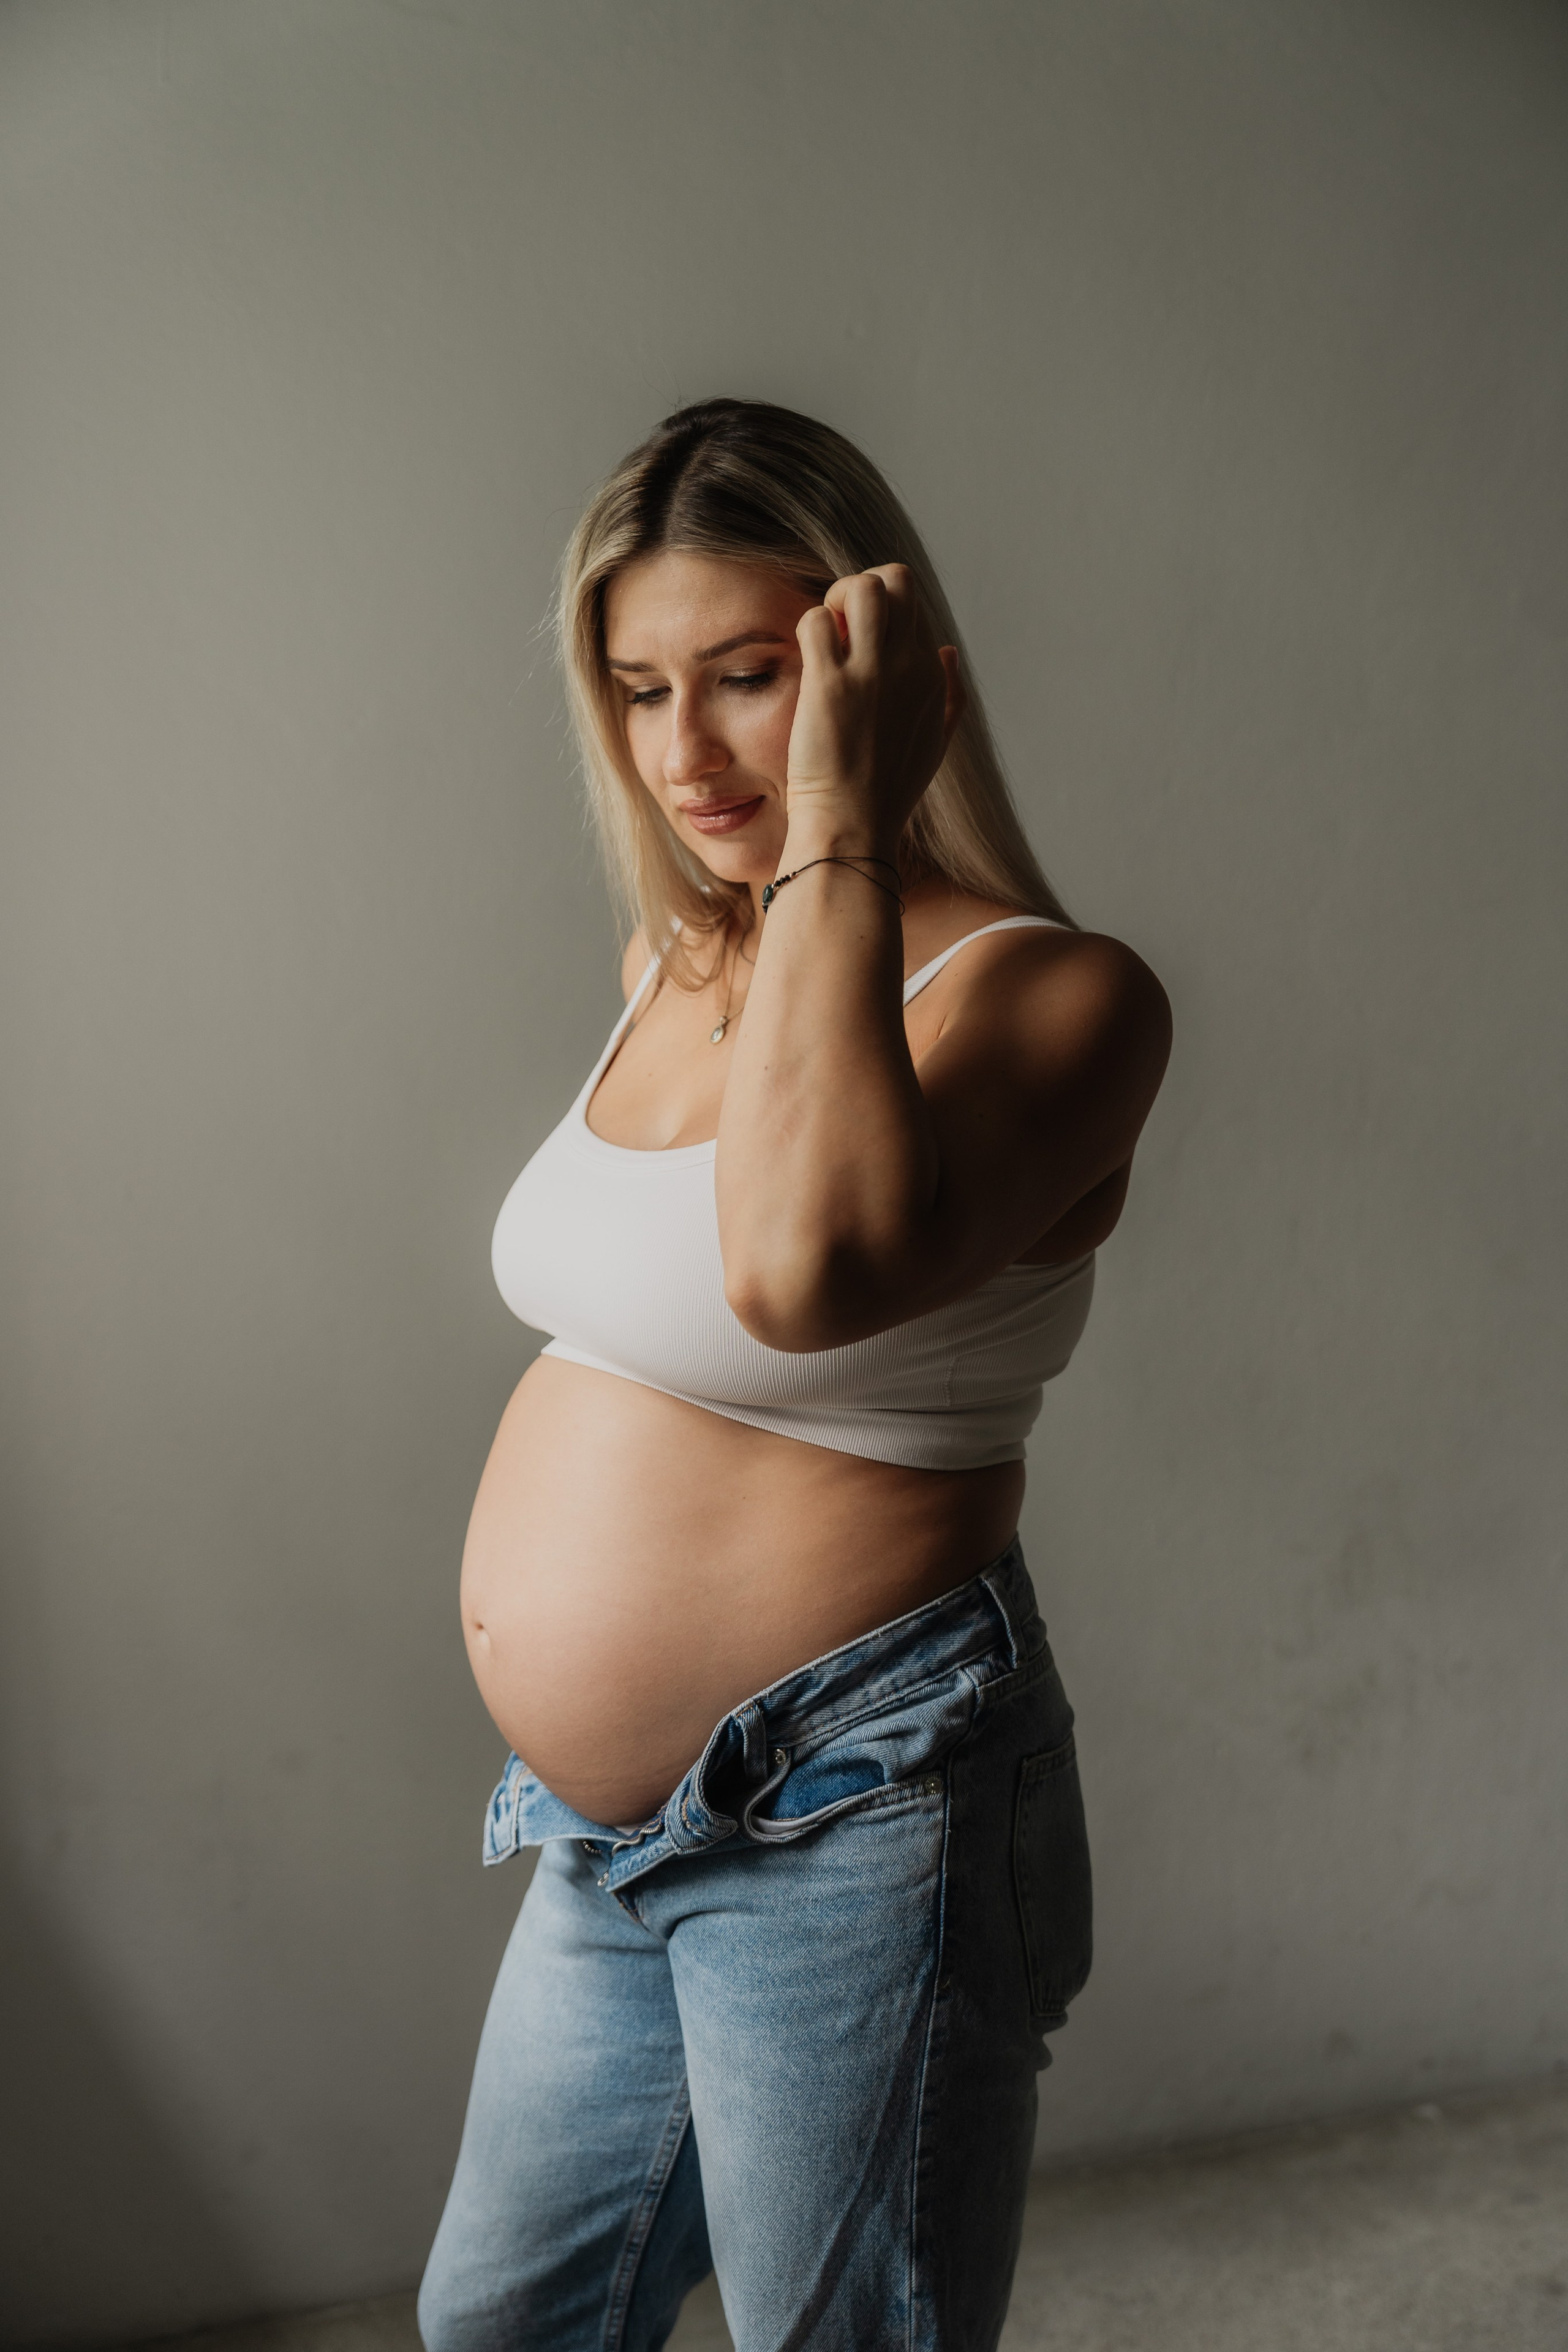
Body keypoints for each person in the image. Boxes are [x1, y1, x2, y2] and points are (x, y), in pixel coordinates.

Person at [417, 398, 1171, 2352]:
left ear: (881, 668)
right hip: (603, 1837)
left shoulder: (1058, 996)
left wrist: (843, 826)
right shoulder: (680, 971)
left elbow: (800, 1267)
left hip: (859, 1808)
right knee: (502, 2324)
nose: (684, 752)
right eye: (640, 686)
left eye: (748, 679)